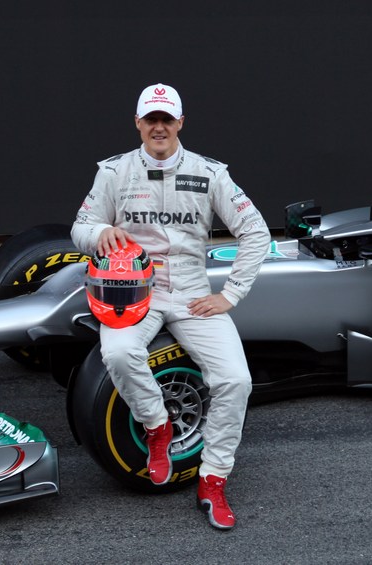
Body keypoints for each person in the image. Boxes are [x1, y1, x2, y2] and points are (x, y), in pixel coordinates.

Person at [72, 83, 270, 529]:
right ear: (138, 124)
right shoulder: (114, 171)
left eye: (167, 119)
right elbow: (82, 225)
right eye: (150, 119)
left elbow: (256, 232)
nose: (158, 127)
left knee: (236, 380)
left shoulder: (210, 173)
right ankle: (157, 426)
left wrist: (231, 293)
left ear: (180, 122)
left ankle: (213, 480)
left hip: (191, 288)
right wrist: (97, 234)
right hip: (130, 289)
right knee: (119, 353)